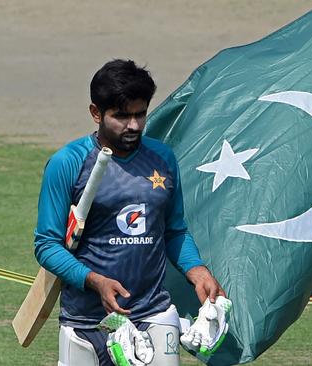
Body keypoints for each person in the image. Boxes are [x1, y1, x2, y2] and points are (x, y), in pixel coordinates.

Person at [34, 59, 225, 366]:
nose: (133, 125)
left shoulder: (162, 158)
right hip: (87, 321)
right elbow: (46, 245)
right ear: (96, 113)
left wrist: (196, 269)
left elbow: (173, 230)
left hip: (154, 313)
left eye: (140, 114)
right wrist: (94, 280)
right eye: (121, 116)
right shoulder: (68, 163)